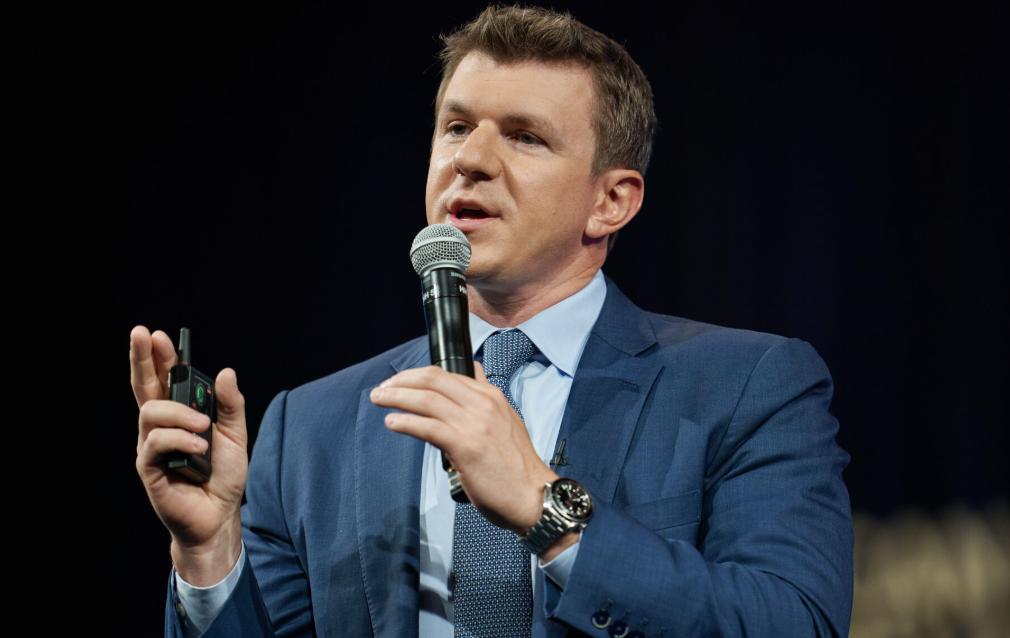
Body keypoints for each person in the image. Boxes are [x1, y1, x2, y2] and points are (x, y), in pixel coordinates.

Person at [132, 5, 853, 637]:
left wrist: (546, 509)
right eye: (455, 127)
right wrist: (208, 553)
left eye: (525, 137)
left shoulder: (746, 386)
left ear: (611, 201)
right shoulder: (311, 427)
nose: (470, 160)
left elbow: (793, 621)